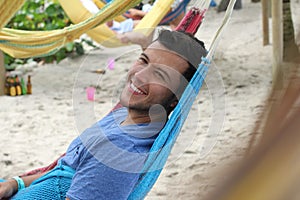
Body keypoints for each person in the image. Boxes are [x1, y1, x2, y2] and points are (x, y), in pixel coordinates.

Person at [0, 30, 207, 200]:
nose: (140, 75)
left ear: (176, 100)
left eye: (160, 75)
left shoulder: (119, 151)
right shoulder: (123, 117)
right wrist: (14, 183)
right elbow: (68, 167)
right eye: (144, 60)